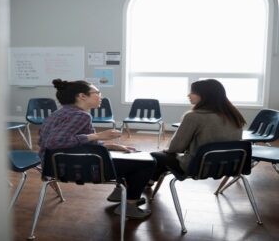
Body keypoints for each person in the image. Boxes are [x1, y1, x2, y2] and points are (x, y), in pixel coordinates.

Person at [38, 79, 156, 219]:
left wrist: (113, 146)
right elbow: (54, 142)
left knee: (121, 156)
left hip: (52, 166)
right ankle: (130, 205)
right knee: (147, 163)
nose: (101, 96)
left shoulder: (60, 113)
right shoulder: (80, 115)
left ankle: (120, 193)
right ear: (82, 96)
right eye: (97, 93)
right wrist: (99, 135)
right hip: (70, 168)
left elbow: (81, 143)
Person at [150, 79, 246, 182]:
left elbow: (176, 147)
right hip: (231, 166)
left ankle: (145, 183)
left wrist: (167, 150)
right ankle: (150, 181)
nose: (188, 95)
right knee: (167, 159)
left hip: (199, 167)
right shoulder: (234, 115)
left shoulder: (193, 116)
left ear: (205, 95)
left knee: (155, 156)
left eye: (193, 92)